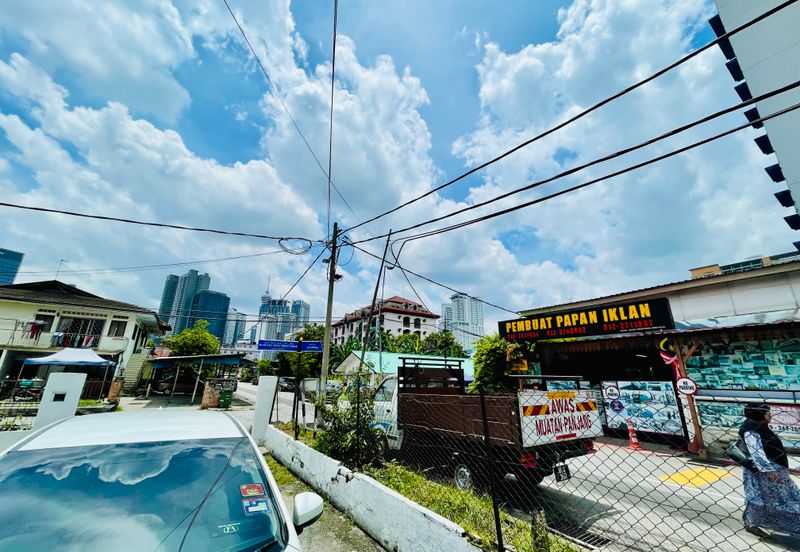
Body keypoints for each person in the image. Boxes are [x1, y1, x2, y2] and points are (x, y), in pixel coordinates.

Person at [739, 402, 800, 537]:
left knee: (786, 496)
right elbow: (756, 452)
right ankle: (751, 523)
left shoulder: (759, 426)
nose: (770, 415)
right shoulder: (751, 429)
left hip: (775, 469)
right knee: (761, 499)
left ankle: (788, 523)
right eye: (767, 413)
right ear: (759, 414)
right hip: (766, 472)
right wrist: (769, 471)